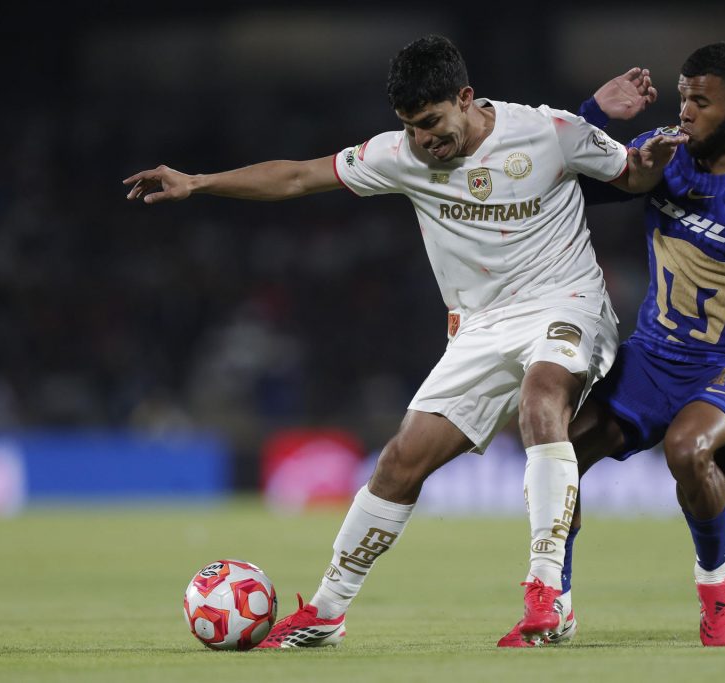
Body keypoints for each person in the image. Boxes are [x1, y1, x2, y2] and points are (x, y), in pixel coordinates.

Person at [123, 34, 665, 647]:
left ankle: (547, 595)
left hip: (566, 303)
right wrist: (198, 183)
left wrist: (651, 150)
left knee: (542, 400)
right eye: (410, 126)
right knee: (401, 461)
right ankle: (327, 611)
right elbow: (298, 177)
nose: (422, 139)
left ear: (465, 98)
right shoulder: (399, 154)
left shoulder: (547, 131)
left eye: (431, 122)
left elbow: (633, 175)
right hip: (480, 327)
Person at [497, 42, 725, 648]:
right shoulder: (666, 152)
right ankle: (556, 603)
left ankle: (716, 588)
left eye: (702, 102)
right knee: (561, 452)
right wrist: (595, 114)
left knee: (687, 450)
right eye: (682, 97)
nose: (686, 111)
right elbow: (565, 183)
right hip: (652, 355)